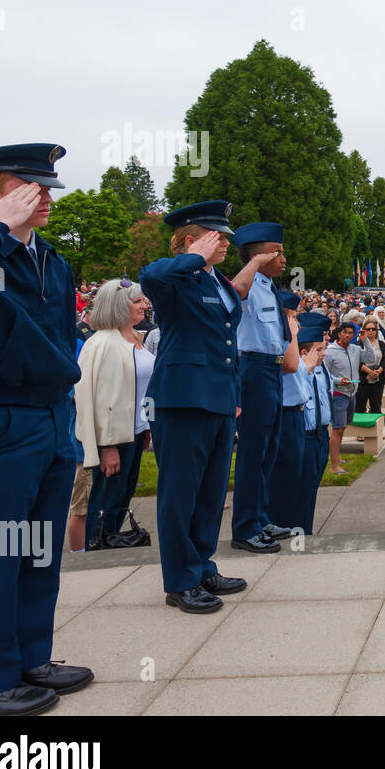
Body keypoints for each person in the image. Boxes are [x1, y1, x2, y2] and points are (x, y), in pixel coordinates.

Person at [0, 143, 93, 715]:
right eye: (31, 188)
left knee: (37, 551)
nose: (47, 197)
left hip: (50, 414)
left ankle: (31, 657)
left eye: (48, 187)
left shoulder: (51, 261)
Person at [141, 201, 253, 615]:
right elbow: (149, 274)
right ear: (191, 240)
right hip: (183, 398)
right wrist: (192, 258)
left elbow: (227, 342)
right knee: (179, 493)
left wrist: (235, 397)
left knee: (210, 492)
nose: (225, 242)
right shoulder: (176, 279)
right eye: (216, 236)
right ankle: (180, 580)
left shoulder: (217, 282)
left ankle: (203, 566)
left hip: (219, 399)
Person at [230, 222, 298, 554]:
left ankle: (259, 516)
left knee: (269, 447)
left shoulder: (269, 286)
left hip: (271, 371)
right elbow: (234, 292)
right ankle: (244, 527)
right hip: (253, 368)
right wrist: (254, 264)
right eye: (277, 252)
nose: (284, 258)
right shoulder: (248, 284)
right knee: (253, 450)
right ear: (259, 255)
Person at [73, 278, 155, 550]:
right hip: (114, 440)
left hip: (133, 433)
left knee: (120, 499)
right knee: (105, 503)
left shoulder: (134, 339)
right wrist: (107, 447)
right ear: (119, 306)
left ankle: (109, 543)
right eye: (137, 301)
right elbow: (100, 400)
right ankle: (97, 552)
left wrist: (145, 427)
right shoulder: (104, 344)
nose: (145, 305)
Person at [266, 292, 309, 535]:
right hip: (285, 411)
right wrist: (291, 333)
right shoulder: (283, 336)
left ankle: (288, 521)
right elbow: (291, 365)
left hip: (296, 412)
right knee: (282, 473)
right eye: (293, 316)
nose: (297, 322)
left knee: (293, 474)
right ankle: (278, 521)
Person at [294, 314, 333, 534]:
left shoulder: (321, 365)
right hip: (306, 434)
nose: (325, 348)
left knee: (311, 488)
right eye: (319, 347)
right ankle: (300, 532)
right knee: (301, 489)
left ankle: (305, 528)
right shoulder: (299, 368)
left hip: (321, 434)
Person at [324, 322, 362, 474]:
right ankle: (334, 466)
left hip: (352, 391)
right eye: (344, 332)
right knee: (338, 428)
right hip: (338, 393)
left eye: (350, 333)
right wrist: (339, 381)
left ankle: (337, 457)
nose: (347, 335)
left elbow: (371, 357)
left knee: (343, 427)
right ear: (339, 333)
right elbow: (325, 374)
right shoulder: (330, 352)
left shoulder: (355, 349)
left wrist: (365, 340)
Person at [355, 315, 385, 413]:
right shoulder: (358, 344)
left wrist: (380, 370)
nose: (371, 331)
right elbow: (356, 361)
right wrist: (369, 371)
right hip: (362, 380)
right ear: (363, 330)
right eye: (368, 329)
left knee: (376, 407)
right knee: (359, 407)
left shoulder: (381, 344)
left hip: (378, 379)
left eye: (373, 329)